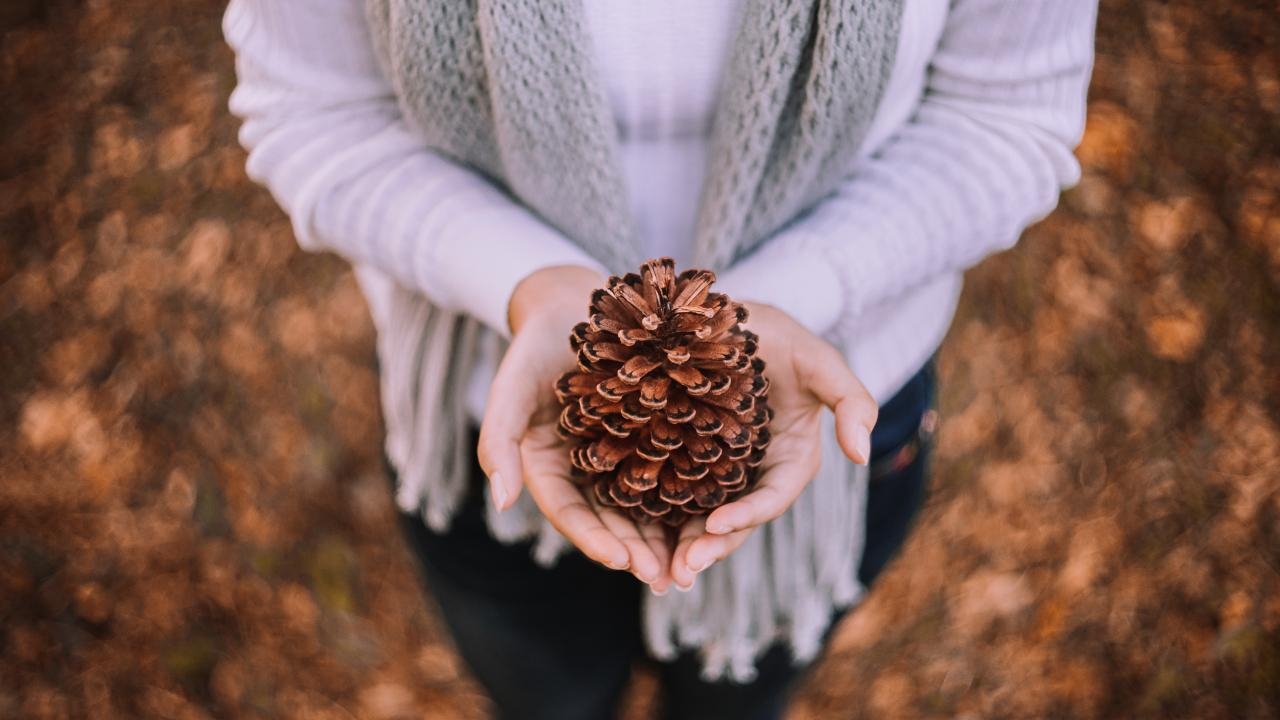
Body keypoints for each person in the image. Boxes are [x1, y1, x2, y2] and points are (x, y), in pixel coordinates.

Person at [223, 1, 1097, 717]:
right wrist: (522, 280)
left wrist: (802, 290)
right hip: (491, 410)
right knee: (544, 698)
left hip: (826, 417)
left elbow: (1006, 114)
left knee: (738, 700)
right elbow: (313, 111)